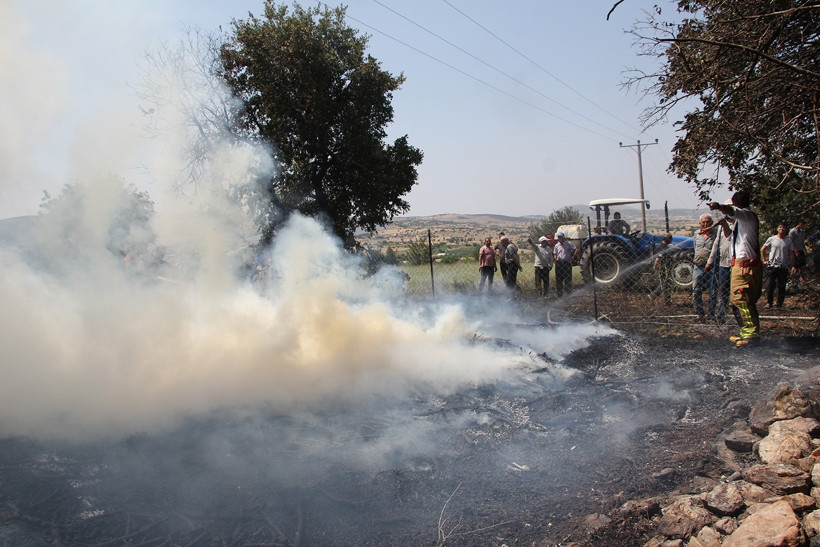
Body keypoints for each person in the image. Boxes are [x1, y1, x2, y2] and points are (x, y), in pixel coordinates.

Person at [708, 190, 762, 347]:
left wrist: (719, 206)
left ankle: (751, 335)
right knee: (738, 301)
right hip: (739, 265)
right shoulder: (741, 223)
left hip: (746, 266)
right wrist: (724, 224)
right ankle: (746, 332)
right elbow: (732, 238)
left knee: (742, 300)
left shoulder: (747, 215)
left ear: (736, 204)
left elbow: (732, 211)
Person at [705, 210, 733, 323]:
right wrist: (710, 261)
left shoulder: (737, 225)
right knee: (723, 290)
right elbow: (716, 244)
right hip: (723, 263)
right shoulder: (721, 228)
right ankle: (721, 314)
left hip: (735, 264)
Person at [761, 223, 796, 309]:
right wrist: (764, 260)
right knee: (770, 285)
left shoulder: (788, 241)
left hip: (783, 266)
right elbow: (763, 249)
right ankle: (769, 302)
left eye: (784, 227)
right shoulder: (772, 239)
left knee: (781, 286)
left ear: (786, 229)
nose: (782, 229)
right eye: (780, 227)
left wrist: (793, 265)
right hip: (772, 266)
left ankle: (779, 304)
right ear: (777, 228)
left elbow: (791, 253)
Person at [692, 213, 717, 321]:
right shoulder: (696, 234)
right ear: (700, 223)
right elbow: (694, 248)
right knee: (696, 291)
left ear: (711, 223)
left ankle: (711, 313)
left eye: (708, 222)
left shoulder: (715, 235)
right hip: (698, 266)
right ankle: (699, 313)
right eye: (703, 222)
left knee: (713, 291)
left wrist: (711, 263)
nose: (705, 224)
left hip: (711, 268)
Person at [649, 233, 675, 305]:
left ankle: (667, 301)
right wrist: (655, 266)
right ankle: (652, 296)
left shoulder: (665, 247)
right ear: (667, 239)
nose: (671, 240)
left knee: (668, 284)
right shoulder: (662, 247)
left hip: (667, 268)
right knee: (663, 284)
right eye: (670, 238)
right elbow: (658, 258)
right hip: (663, 268)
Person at [553, 231, 577, 297]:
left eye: (561, 237)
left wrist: (573, 257)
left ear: (563, 237)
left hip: (567, 263)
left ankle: (568, 293)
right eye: (558, 237)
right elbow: (555, 253)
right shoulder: (556, 245)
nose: (559, 238)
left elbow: (575, 249)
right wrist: (555, 259)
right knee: (559, 279)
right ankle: (559, 294)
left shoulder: (568, 244)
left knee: (568, 278)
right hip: (559, 263)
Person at [789, 220, 807, 285]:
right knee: (795, 266)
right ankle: (791, 279)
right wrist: (795, 250)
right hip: (795, 251)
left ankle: (802, 279)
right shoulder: (792, 231)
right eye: (803, 225)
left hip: (801, 249)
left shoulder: (801, 232)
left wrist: (804, 249)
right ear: (800, 224)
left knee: (802, 265)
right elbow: (791, 241)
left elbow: (801, 241)